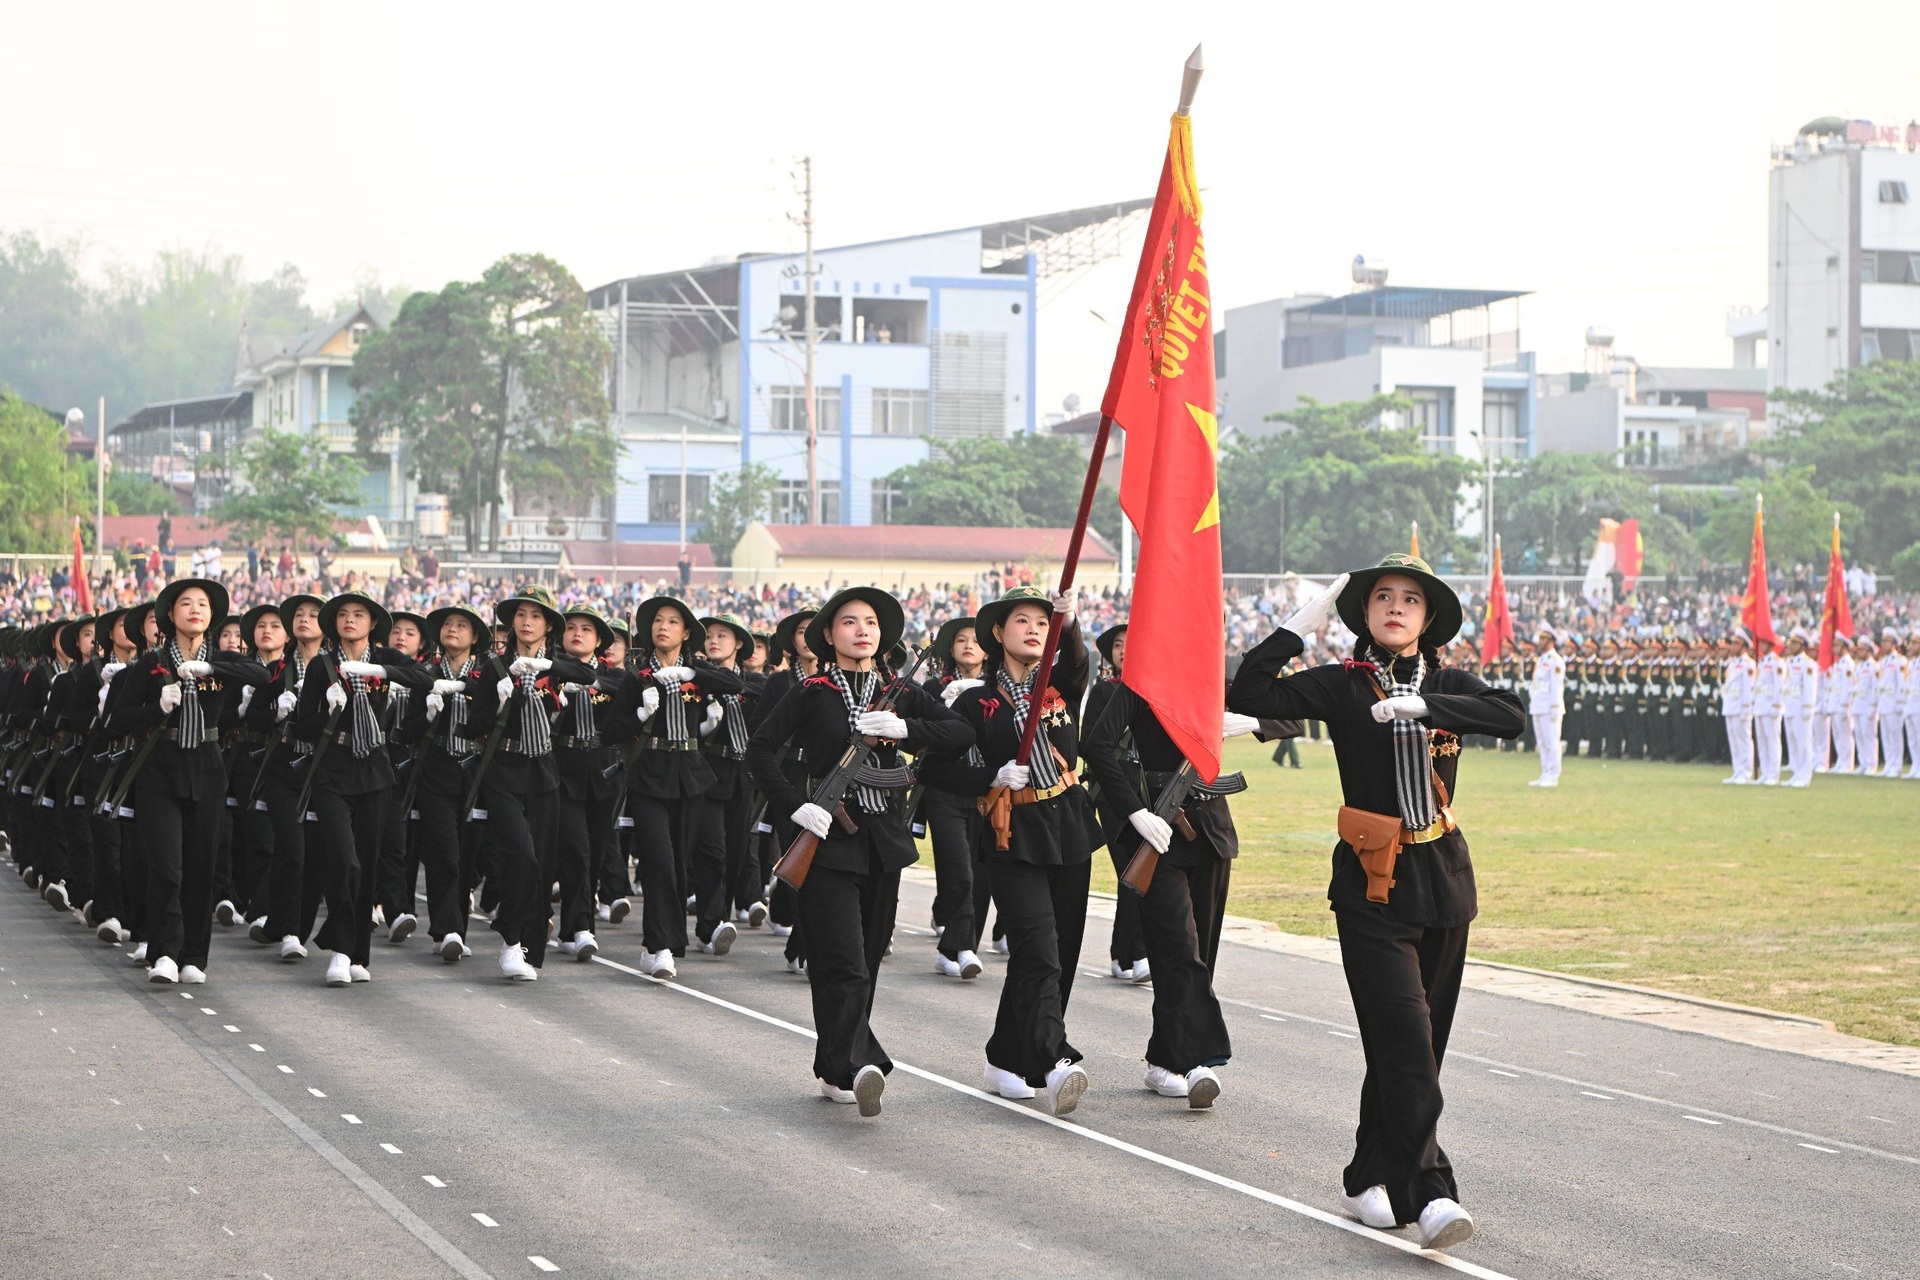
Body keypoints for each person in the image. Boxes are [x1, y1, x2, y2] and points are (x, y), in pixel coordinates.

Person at [1227, 554, 1524, 1252]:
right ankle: (1432, 1193)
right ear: (1363, 615)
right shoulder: (1341, 685)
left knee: (1418, 1047)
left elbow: (1509, 715)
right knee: (1402, 1039)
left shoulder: (1450, 682)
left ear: (1427, 618)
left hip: (1444, 877)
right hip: (1372, 883)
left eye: (1411, 599)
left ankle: (1369, 1174)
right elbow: (1251, 691)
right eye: (1382, 597)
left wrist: (1427, 706)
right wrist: (1300, 627)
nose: (1395, 606)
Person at [745, 586, 969, 1116]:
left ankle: (834, 1064)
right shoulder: (811, 690)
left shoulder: (900, 692)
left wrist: (905, 729)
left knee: (865, 957)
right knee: (843, 960)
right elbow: (759, 749)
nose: (862, 630)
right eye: (849, 622)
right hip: (826, 838)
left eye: (870, 622)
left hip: (883, 841)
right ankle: (860, 1064)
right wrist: (795, 806)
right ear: (829, 634)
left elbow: (958, 732)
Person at [925, 585, 1100, 1117]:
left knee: (1056, 956)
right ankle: (1053, 1059)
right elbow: (934, 768)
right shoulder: (975, 700)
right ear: (997, 634)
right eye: (1021, 621)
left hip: (1067, 825)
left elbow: (1076, 657)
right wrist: (989, 775)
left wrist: (1066, 619)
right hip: (1011, 832)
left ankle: (1005, 1058)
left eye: (1041, 624)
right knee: (1037, 950)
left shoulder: (1060, 683)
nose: (1033, 629)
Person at [1081, 650, 1273, 1110]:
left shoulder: (1216, 679)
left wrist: (1246, 721)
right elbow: (1096, 745)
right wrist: (1134, 810)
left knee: (1200, 952)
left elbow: (1290, 717)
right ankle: (1197, 1059)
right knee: (1178, 950)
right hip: (1160, 826)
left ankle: (1164, 1059)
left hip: (1209, 830)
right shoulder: (1138, 683)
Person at [102, 578, 267, 985]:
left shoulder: (222, 660)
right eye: (186, 604)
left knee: (200, 866)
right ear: (170, 615)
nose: (195, 609)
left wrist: (210, 667)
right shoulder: (153, 663)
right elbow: (116, 720)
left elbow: (260, 675)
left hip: (207, 770)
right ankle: (163, 952)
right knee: (167, 868)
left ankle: (195, 954)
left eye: (203, 605)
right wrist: (155, 708)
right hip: (160, 769)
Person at [289, 591, 431, 987]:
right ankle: (338, 949)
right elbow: (301, 727)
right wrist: (327, 714)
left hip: (375, 770)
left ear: (372, 625)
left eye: (359, 615)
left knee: (366, 864)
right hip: (333, 770)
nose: (350, 620)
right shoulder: (322, 666)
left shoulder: (385, 659)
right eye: (343, 615)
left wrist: (383, 675)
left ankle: (357, 953)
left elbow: (424, 677)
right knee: (344, 861)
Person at [461, 587, 598, 981]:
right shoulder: (494, 668)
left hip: (542, 770)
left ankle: (524, 942)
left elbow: (587, 672)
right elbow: (473, 726)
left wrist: (542, 669)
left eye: (536, 616)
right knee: (519, 853)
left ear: (547, 625)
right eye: (521, 615)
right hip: (502, 769)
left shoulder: (552, 666)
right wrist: (497, 703)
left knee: (540, 863)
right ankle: (509, 941)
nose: (526, 622)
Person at [609, 596, 742, 977]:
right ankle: (659, 945)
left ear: (686, 633)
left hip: (690, 775)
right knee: (659, 860)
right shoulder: (638, 678)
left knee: (680, 863)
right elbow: (611, 733)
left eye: (672, 622)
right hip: (649, 774)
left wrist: (692, 675)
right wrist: (639, 713)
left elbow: (735, 683)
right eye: (657, 622)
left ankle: (663, 942)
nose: (663, 627)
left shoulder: (696, 673)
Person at [398, 603, 493, 961]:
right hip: (435, 768)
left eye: (462, 624)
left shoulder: (486, 676)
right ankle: (446, 928)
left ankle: (456, 928)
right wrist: (428, 713)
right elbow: (406, 730)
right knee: (443, 853)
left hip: (474, 771)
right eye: (447, 624)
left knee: (468, 852)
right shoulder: (424, 674)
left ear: (474, 636)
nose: (453, 629)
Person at [549, 603, 625, 962]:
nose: (577, 633)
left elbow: (622, 706)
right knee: (576, 851)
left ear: (599, 641)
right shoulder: (550, 671)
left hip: (601, 771)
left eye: (587, 629)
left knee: (593, 853)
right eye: (571, 627)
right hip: (562, 768)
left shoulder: (614, 677)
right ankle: (582, 928)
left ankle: (570, 928)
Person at [922, 614, 991, 980]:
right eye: (961, 639)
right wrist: (945, 708)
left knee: (981, 877)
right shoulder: (935, 689)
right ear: (951, 649)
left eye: (975, 640)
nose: (968, 645)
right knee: (959, 873)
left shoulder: (996, 690)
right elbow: (919, 740)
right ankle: (963, 949)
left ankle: (955, 947)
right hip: (946, 789)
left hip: (985, 791)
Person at [693, 612, 767, 941]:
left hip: (742, 775)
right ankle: (710, 926)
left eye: (722, 635)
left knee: (736, 852)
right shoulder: (697, 680)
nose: (713, 640)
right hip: (707, 772)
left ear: (738, 643)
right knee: (713, 850)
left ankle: (720, 918)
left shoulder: (755, 686)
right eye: (709, 635)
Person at [1084, 623, 1149, 982]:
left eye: (1132, 643)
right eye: (1118, 645)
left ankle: (1130, 952)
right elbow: (1090, 745)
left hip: (1150, 793)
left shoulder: (1155, 690)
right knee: (1132, 871)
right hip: (1112, 795)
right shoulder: (1103, 692)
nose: (1124, 649)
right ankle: (1128, 955)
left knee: (1146, 872)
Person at [1527, 626, 1565, 788]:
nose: (1539, 642)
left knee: (1552, 742)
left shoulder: (1555, 660)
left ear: (1551, 641)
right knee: (1542, 742)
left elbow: (1556, 686)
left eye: (1543, 639)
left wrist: (1555, 708)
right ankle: (1545, 773)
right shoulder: (1542, 660)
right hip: (1538, 705)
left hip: (1550, 707)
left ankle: (1553, 775)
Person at [1782, 629, 1818, 788]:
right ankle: (1797, 773)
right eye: (1791, 642)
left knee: (1804, 743)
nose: (1791, 645)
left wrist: (1808, 708)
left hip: (1801, 708)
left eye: (1795, 643)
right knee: (1794, 743)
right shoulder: (1790, 663)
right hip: (1790, 706)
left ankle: (1804, 776)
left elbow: (1810, 688)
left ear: (1802, 645)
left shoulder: (1808, 664)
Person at [1721, 633, 1757, 785]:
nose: (1732, 646)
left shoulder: (1748, 664)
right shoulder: (1733, 663)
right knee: (1734, 741)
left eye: (1736, 644)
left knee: (1743, 740)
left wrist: (1746, 708)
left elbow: (1748, 688)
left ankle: (1746, 772)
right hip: (1730, 706)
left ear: (1743, 646)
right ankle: (1738, 771)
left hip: (1741, 708)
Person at [1752, 636, 1786, 786]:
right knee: (1762, 741)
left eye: (1764, 643)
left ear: (1771, 645)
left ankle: (1773, 774)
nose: (1761, 646)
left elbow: (1779, 686)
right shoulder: (1762, 662)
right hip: (1760, 706)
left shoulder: (1777, 662)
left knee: (1772, 741)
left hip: (1770, 707)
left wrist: (1777, 705)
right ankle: (1765, 772)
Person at [1876, 629, 1907, 778]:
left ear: (1893, 643)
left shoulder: (1899, 661)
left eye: (1886, 642)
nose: (1883, 644)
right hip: (1884, 703)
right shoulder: (1884, 661)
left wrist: (1900, 703)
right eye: (1883, 641)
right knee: (1886, 736)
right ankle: (1889, 763)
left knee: (1895, 735)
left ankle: (1897, 765)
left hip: (1894, 703)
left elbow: (1901, 684)